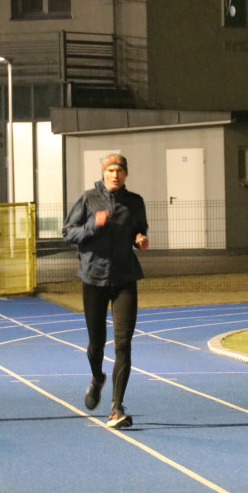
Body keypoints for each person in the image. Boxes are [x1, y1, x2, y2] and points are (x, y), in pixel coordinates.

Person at [62, 153, 149, 429]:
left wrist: (139, 238)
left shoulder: (134, 202)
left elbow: (138, 228)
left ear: (126, 174)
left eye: (120, 170)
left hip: (125, 278)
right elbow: (68, 232)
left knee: (123, 344)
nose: (115, 174)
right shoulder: (88, 199)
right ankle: (97, 378)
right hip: (93, 278)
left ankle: (116, 408)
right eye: (111, 170)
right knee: (96, 345)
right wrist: (92, 224)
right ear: (104, 173)